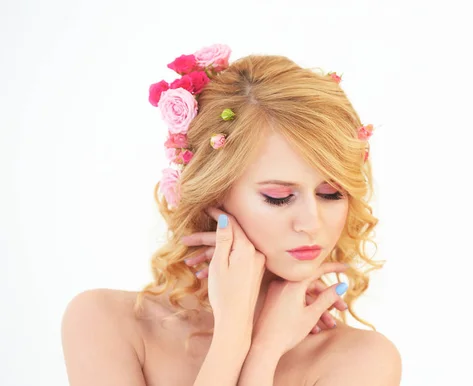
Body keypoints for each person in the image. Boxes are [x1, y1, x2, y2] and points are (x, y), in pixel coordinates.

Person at [61, 44, 402, 385]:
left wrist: (263, 352)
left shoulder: (362, 362)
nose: (312, 223)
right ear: (217, 194)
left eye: (331, 194)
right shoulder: (104, 322)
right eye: (278, 197)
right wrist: (233, 335)